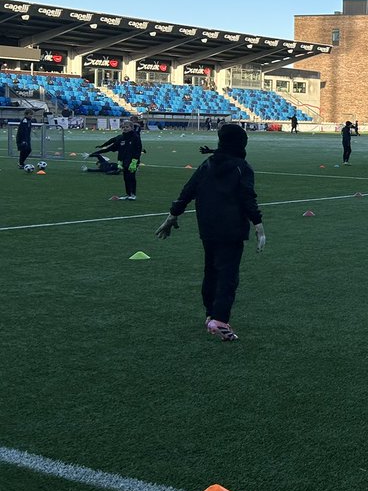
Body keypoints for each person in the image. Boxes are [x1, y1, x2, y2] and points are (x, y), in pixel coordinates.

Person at [155, 123, 265, 342]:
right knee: (228, 274)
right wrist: (258, 225)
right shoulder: (242, 167)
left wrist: (173, 215)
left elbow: (188, 190)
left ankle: (210, 314)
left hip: (207, 226)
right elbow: (247, 197)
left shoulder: (207, 164)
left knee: (211, 270)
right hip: (231, 228)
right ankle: (220, 320)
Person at [95, 120, 143, 200]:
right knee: (126, 178)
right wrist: (96, 153)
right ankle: (128, 194)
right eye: (123, 127)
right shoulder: (121, 138)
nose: (125, 129)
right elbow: (112, 148)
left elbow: (138, 150)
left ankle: (133, 194)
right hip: (124, 160)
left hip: (132, 160)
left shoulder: (135, 137)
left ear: (131, 128)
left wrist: (134, 162)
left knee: (131, 177)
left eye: (127, 127)